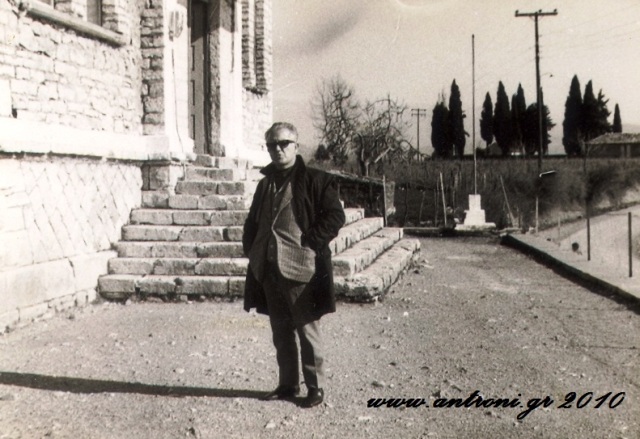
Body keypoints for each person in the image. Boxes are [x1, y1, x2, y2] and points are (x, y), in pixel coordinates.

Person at [242, 122, 346, 408]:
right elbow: (253, 220)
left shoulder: (316, 180)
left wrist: (311, 242)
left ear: (296, 146)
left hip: (301, 267)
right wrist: (251, 248)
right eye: (272, 145)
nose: (278, 149)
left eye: (284, 143)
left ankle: (315, 387)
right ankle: (288, 384)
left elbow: (335, 216)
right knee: (280, 330)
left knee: (307, 328)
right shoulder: (265, 184)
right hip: (269, 267)